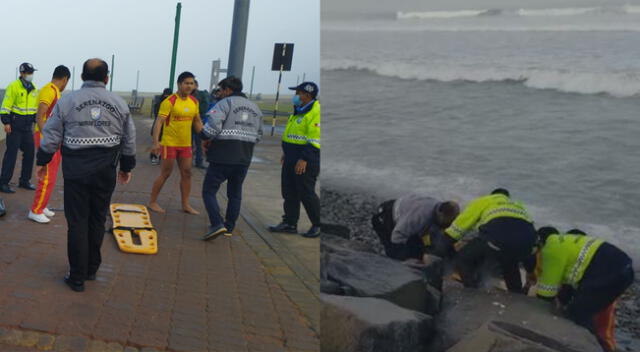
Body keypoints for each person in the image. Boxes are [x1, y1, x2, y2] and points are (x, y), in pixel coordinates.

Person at [36, 58, 136, 292]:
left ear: (81, 77)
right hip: (105, 171)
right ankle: (92, 268)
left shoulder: (68, 101)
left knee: (77, 222)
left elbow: (51, 134)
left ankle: (77, 276)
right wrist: (127, 166)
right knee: (97, 219)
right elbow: (128, 138)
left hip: (76, 172)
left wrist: (43, 160)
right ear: (106, 78)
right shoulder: (119, 103)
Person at [535, 227, 634, 352]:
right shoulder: (568, 242)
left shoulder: (550, 249)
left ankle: (589, 346)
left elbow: (546, 293)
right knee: (588, 308)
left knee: (578, 313)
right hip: (624, 269)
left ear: (541, 244)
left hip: (606, 273)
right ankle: (603, 345)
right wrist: (562, 299)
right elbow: (570, 285)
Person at [195, 76, 263, 240]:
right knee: (235, 194)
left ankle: (217, 223)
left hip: (222, 156)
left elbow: (213, 128)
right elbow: (259, 135)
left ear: (227, 90)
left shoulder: (224, 104)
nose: (219, 94)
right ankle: (229, 227)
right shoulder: (255, 108)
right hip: (244, 157)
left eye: (221, 90)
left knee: (209, 191)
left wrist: (203, 135)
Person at [444, 188, 537, 293]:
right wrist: (530, 271)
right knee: (510, 262)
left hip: (496, 236)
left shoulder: (486, 200)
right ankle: (516, 295)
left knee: (463, 258)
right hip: (527, 241)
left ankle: (471, 290)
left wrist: (446, 240)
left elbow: (461, 224)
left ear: (492, 195)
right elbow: (529, 243)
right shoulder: (518, 205)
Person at [268, 82, 321, 238]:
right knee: (289, 191)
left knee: (306, 193)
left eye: (298, 93)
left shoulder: (315, 112)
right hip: (291, 157)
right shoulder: (299, 110)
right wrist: (286, 152)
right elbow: (293, 135)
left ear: (307, 95)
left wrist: (304, 158)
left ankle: (317, 224)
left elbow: (315, 139)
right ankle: (290, 223)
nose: (295, 96)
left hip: (305, 159)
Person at [148, 72, 200, 214]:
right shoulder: (170, 101)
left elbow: (197, 121)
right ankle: (152, 202)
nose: (189, 86)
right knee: (166, 173)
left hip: (185, 145)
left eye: (192, 83)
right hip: (169, 143)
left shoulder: (194, 102)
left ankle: (185, 204)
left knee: (187, 173)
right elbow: (159, 122)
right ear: (179, 84)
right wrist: (156, 142)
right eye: (186, 83)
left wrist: (205, 138)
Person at [27, 65, 71, 224]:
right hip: (47, 137)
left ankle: (42, 205)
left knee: (51, 175)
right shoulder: (49, 90)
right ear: (65, 79)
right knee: (46, 175)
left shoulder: (55, 91)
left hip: (53, 137)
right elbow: (40, 117)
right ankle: (35, 210)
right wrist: (48, 138)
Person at [371, 194, 460, 261]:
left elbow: (434, 236)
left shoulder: (438, 210)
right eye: (448, 222)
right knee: (395, 255)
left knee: (417, 250)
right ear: (441, 214)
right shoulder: (420, 215)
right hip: (385, 216)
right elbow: (397, 235)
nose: (449, 225)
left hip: (404, 211)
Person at [0, 63, 39, 193]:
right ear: (22, 73)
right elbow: (6, 106)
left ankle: (24, 181)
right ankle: (4, 182)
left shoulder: (34, 89)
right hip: (15, 126)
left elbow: (34, 109)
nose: (30, 75)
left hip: (27, 128)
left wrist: (37, 121)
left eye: (32, 72)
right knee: (11, 154)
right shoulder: (14, 86)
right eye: (28, 72)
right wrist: (6, 122)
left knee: (30, 153)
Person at [150, 88, 172, 166]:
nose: (166, 96)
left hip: (165, 126)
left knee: (161, 143)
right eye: (166, 94)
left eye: (168, 95)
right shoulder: (161, 102)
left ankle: (157, 158)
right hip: (159, 125)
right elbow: (157, 115)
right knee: (156, 143)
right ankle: (154, 157)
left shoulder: (167, 102)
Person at [191, 80, 209, 169]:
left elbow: (205, 106)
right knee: (188, 143)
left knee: (199, 143)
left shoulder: (202, 94)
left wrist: (198, 115)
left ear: (196, 85)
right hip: (187, 122)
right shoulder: (186, 95)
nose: (190, 86)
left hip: (198, 120)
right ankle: (186, 161)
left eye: (192, 84)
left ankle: (199, 162)